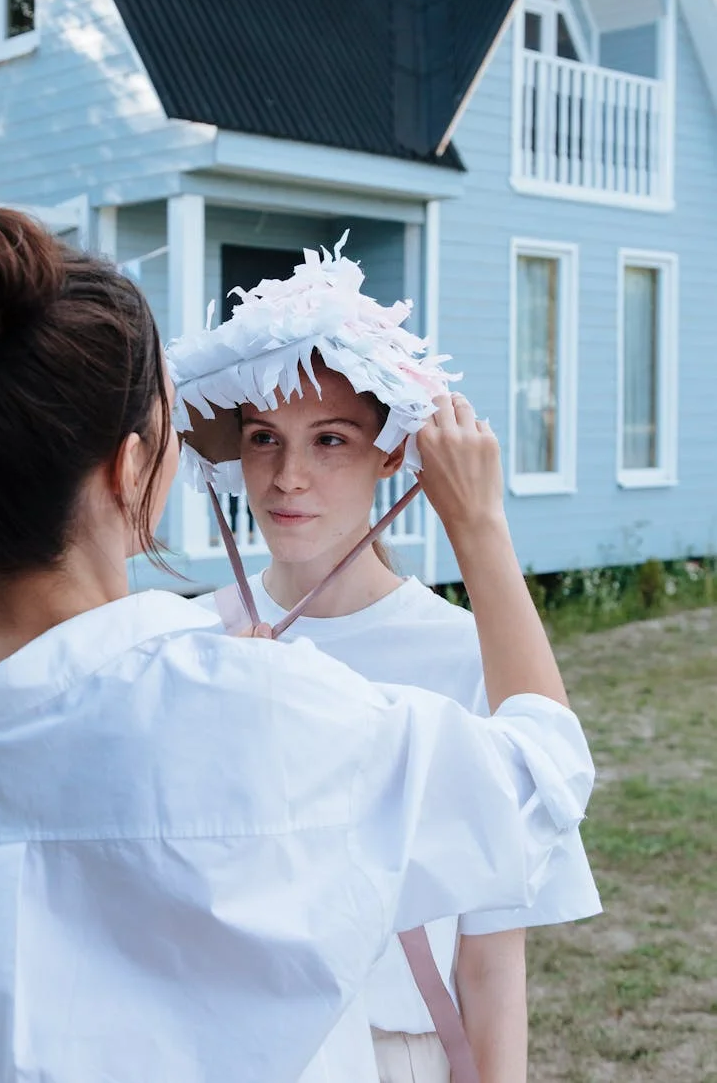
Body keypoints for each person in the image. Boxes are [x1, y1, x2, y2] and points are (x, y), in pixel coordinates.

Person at [0, 206, 595, 1083]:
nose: (286, 473)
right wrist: (480, 526)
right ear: (131, 470)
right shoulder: (252, 706)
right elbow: (540, 776)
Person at [169, 238, 601, 1083]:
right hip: (220, 1050)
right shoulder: (185, 639)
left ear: (392, 455)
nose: (288, 477)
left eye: (329, 440)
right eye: (263, 438)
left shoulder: (461, 651)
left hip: (392, 1049)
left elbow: (487, 953)